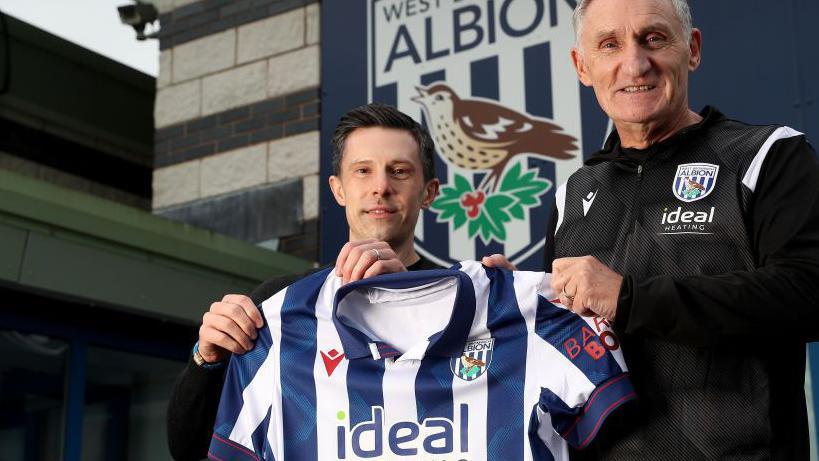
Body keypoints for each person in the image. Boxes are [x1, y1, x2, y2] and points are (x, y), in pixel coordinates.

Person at [546, 0, 819, 459]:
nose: (634, 63)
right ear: (582, 66)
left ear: (691, 49)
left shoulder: (766, 156)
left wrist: (631, 299)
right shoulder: (571, 195)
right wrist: (513, 293)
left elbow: (808, 291)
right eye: (609, 44)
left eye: (653, 38)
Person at [167, 103, 452, 460]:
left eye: (399, 171)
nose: (381, 186)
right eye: (363, 171)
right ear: (338, 190)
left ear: (428, 192)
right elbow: (187, 450)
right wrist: (206, 360)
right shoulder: (280, 303)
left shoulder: (467, 299)